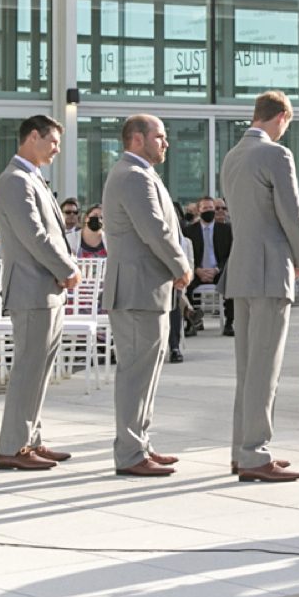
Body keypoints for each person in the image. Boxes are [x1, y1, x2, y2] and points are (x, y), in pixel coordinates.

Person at [220, 91, 299, 481]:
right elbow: (292, 214)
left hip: (241, 269)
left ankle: (242, 449)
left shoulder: (232, 156)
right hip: (271, 269)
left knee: (248, 368)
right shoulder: (276, 154)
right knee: (265, 368)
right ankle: (255, 454)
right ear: (281, 117)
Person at [101, 116, 195, 478]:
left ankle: (139, 443)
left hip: (148, 288)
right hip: (137, 289)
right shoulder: (133, 176)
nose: (166, 143)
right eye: (160, 137)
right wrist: (181, 265)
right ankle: (130, 453)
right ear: (137, 139)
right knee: (136, 374)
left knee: (146, 373)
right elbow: (154, 229)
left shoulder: (141, 173)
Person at [0, 116, 82, 471]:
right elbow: (34, 235)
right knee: (28, 371)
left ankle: (30, 439)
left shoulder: (33, 178)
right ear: (33, 137)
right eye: (53, 141)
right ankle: (13, 447)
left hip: (46, 289)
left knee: (40, 372)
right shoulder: (15, 180)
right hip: (32, 288)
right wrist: (67, 268)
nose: (57, 149)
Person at [185, 194, 234, 336]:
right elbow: (185, 255)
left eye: (211, 208)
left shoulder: (226, 230)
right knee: (184, 286)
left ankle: (229, 323)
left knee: (231, 282)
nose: (210, 211)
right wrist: (197, 270)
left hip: (218, 271)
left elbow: (229, 255)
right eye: (205, 208)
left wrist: (217, 269)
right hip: (197, 272)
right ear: (198, 210)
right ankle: (192, 322)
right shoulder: (189, 231)